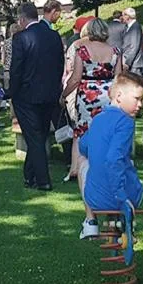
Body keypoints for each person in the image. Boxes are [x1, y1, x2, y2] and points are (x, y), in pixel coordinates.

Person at [78, 72, 143, 239]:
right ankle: (120, 220)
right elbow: (113, 159)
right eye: (137, 99)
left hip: (96, 200)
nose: (140, 105)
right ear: (119, 96)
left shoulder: (97, 119)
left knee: (83, 163)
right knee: (124, 162)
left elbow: (83, 146)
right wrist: (121, 196)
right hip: (127, 197)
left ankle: (90, 220)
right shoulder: (125, 122)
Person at [8, 2, 65, 190]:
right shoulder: (54, 36)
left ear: (22, 19)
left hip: (26, 95)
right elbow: (59, 65)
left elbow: (16, 70)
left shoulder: (21, 38)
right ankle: (29, 175)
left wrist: (12, 94)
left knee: (35, 137)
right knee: (38, 135)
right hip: (49, 93)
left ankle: (43, 180)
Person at [60, 18, 121, 184]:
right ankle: (104, 171)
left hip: (87, 94)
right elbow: (119, 78)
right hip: (108, 94)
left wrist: (64, 95)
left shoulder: (82, 51)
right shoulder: (115, 51)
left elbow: (74, 79)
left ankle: (80, 170)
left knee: (82, 132)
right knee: (106, 134)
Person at [120, 7, 143, 75]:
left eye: (123, 15)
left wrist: (128, 63)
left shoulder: (135, 27)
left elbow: (134, 47)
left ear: (128, 16)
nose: (122, 17)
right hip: (130, 63)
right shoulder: (128, 27)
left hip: (134, 64)